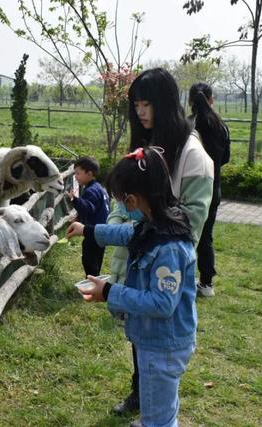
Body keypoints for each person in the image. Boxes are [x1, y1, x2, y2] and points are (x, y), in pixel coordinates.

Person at [66, 146, 197, 427]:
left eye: (121, 202)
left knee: (158, 409)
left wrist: (110, 292)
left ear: (133, 201)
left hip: (162, 345)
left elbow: (162, 304)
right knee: (161, 399)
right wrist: (88, 230)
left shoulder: (168, 247)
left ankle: (155, 421)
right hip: (159, 340)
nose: (122, 209)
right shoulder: (157, 223)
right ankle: (156, 417)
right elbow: (126, 232)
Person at [111, 68, 214, 417]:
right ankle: (142, 394)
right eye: (136, 105)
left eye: (147, 104)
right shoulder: (145, 144)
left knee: (158, 339)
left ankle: (152, 406)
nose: (140, 112)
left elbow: (191, 222)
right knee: (141, 337)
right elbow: (122, 200)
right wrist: (117, 223)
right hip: (137, 258)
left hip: (163, 264)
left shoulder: (192, 155)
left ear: (165, 104)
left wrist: (138, 227)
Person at [188, 82, 231, 297]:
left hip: (187, 188)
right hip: (213, 188)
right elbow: (225, 158)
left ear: (190, 101)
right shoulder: (220, 126)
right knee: (206, 236)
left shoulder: (187, 125)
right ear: (211, 99)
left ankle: (180, 279)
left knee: (183, 234)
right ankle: (206, 284)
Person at [66, 156, 110, 276]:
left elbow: (88, 208)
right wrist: (79, 218)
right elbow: (95, 209)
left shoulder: (91, 191)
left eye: (78, 173)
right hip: (103, 231)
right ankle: (96, 282)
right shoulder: (100, 189)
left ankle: (92, 284)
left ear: (89, 173)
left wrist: (73, 199)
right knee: (97, 260)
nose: (75, 176)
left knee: (89, 260)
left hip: (94, 232)